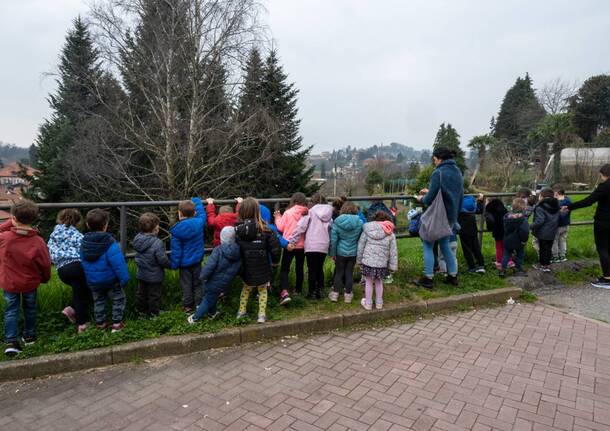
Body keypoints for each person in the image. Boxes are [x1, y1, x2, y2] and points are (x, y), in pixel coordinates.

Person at [1, 200, 51, 356]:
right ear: (34, 219)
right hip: (30, 283)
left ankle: (11, 341)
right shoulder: (38, 241)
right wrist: (45, 278)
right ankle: (29, 336)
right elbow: (45, 264)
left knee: (11, 310)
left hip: (10, 283)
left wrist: (11, 222)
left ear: (14, 217)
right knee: (30, 309)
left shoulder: (4, 238)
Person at [415, 147, 464, 289]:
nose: (434, 162)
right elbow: (457, 195)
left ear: (439, 159)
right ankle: (453, 276)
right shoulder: (457, 172)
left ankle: (428, 278)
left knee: (428, 244)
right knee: (445, 245)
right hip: (450, 216)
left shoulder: (438, 173)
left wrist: (421, 198)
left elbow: (429, 198)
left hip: (438, 216)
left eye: (434, 160)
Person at [80, 209, 130, 332]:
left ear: (87, 225)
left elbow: (83, 262)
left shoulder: (84, 243)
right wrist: (124, 279)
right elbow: (118, 264)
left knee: (99, 302)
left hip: (93, 281)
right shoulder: (110, 243)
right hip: (111, 280)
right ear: (105, 225)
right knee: (118, 300)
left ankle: (100, 325)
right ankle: (117, 324)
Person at [236, 198, 281, 323]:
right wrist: (275, 262)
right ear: (258, 211)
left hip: (246, 268)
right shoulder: (266, 230)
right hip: (262, 266)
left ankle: (241, 311)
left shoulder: (238, 230)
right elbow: (275, 248)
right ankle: (261, 315)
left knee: (246, 288)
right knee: (262, 290)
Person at [565, 164, 610, 288]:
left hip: (603, 222)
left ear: (603, 174)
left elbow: (589, 201)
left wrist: (569, 207)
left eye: (601, 175)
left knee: (603, 249)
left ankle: (607, 279)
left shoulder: (604, 186)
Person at [48, 208, 91, 332]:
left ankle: (71, 309)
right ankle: (81, 324)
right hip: (77, 266)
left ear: (59, 219)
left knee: (81, 291)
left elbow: (50, 251)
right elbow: (85, 251)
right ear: (78, 222)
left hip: (62, 270)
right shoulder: (77, 235)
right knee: (81, 295)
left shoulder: (54, 234)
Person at [188, 227, 242, 323]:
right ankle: (212, 313)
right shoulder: (239, 252)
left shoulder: (219, 250)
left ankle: (195, 318)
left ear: (222, 238)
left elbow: (210, 265)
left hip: (213, 280)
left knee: (207, 299)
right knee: (212, 296)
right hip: (225, 283)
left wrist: (203, 276)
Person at [289, 193, 333, 299]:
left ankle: (312, 292)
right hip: (324, 244)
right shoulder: (329, 214)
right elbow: (331, 229)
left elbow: (301, 227)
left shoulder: (310, 212)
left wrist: (292, 240)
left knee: (312, 269)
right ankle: (320, 291)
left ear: (313, 202)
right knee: (319, 268)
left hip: (312, 244)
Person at [170, 197, 206, 312]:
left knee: (186, 285)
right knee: (198, 283)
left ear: (179, 214)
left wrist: (174, 264)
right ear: (194, 213)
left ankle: (187, 306)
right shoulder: (199, 222)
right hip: (197, 261)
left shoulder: (177, 230)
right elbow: (201, 213)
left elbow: (176, 250)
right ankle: (199, 304)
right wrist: (196, 200)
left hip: (184, 264)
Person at [357, 212, 398, 310]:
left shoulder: (367, 230)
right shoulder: (390, 233)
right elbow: (393, 251)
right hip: (381, 263)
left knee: (368, 282)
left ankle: (368, 303)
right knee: (379, 281)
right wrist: (393, 266)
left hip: (368, 262)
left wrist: (359, 260)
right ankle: (379, 303)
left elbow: (361, 246)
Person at [132, 212, 170, 317]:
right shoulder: (157, 243)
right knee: (154, 295)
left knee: (141, 294)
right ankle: (153, 313)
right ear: (155, 228)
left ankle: (141, 312)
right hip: (154, 275)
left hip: (141, 273)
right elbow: (162, 260)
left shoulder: (137, 239)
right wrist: (170, 265)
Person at [329, 202, 363, 303]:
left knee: (339, 273)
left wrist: (333, 253)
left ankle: (335, 294)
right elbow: (360, 238)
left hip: (340, 252)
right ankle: (348, 295)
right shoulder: (359, 223)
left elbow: (334, 240)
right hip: (353, 252)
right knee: (349, 273)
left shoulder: (337, 222)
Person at [274, 192, 308, 295]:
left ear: (293, 201)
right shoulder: (307, 213)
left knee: (285, 268)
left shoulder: (288, 213)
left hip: (289, 244)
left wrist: (277, 217)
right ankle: (298, 290)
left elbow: (280, 227)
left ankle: (284, 289)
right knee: (299, 267)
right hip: (301, 245)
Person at [260, 204, 291, 305]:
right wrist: (287, 244)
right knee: (268, 277)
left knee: (260, 278)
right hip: (270, 260)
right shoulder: (271, 228)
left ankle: (261, 294)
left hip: (257, 260)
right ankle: (269, 292)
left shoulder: (252, 227)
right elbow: (279, 238)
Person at [530, 188, 560, 272]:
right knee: (548, 248)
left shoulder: (540, 207)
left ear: (542, 196)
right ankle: (547, 264)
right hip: (552, 230)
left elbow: (540, 221)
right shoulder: (556, 205)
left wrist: (530, 226)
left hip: (542, 232)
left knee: (543, 249)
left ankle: (543, 265)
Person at [499, 199, 529, 278]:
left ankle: (502, 270)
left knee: (506, 255)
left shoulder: (506, 217)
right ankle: (518, 269)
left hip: (507, 240)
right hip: (518, 241)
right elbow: (525, 231)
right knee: (520, 255)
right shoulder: (523, 219)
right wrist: (524, 240)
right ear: (524, 208)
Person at [457, 194, 485, 274]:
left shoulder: (459, 211)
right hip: (473, 231)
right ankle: (481, 265)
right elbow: (480, 210)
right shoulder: (473, 210)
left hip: (463, 232)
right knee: (476, 248)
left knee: (467, 250)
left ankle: (472, 267)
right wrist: (480, 200)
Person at [484, 197, 512, 269]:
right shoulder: (503, 208)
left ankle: (499, 262)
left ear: (489, 202)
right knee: (506, 247)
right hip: (506, 230)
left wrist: (490, 228)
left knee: (499, 247)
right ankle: (510, 261)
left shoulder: (490, 210)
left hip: (498, 231)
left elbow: (490, 220)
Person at [553, 187, 572, 263]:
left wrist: (555, 198)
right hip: (566, 224)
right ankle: (563, 255)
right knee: (563, 240)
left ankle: (555, 256)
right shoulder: (568, 200)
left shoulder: (556, 202)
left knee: (555, 240)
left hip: (557, 225)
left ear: (557, 193)